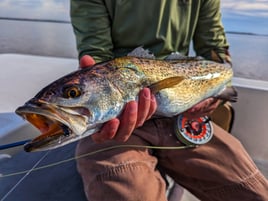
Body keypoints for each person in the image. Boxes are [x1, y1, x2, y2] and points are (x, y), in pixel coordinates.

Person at [70, 0, 268, 200]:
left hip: (184, 113)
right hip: (117, 120)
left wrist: (213, 93)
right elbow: (96, 54)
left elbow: (214, 48)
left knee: (258, 193)